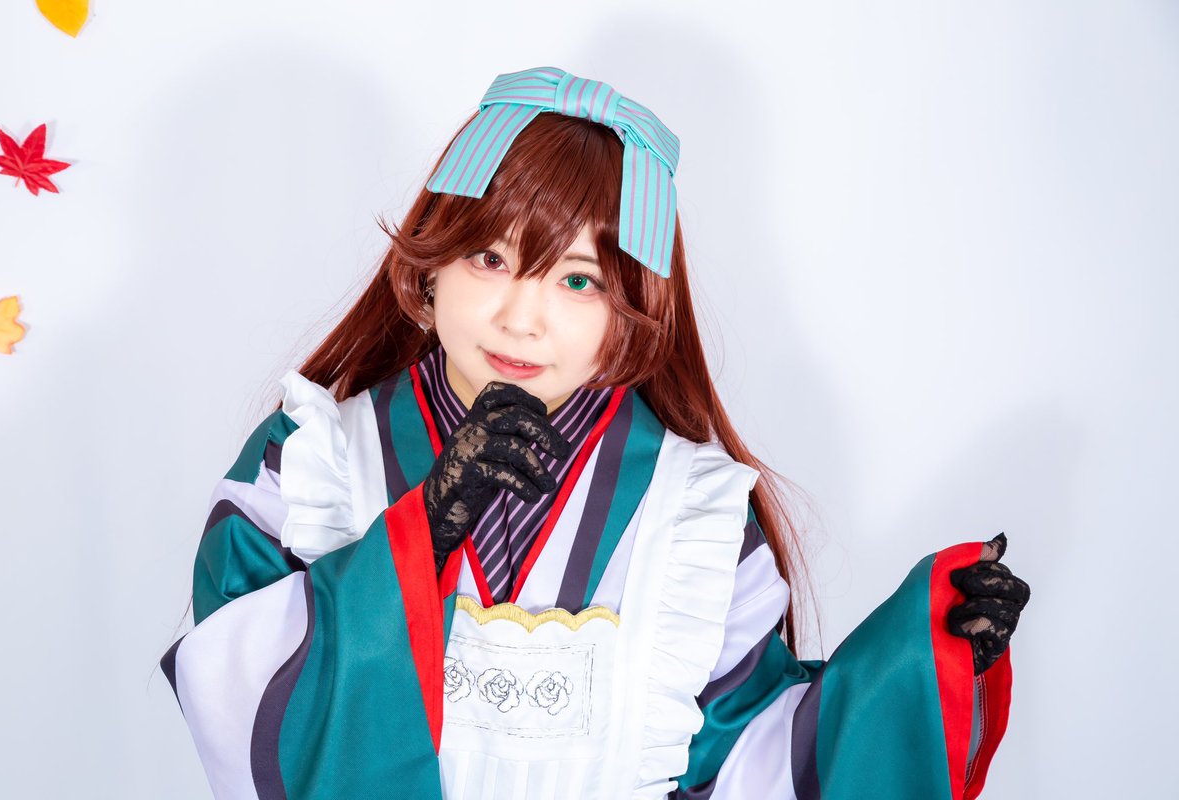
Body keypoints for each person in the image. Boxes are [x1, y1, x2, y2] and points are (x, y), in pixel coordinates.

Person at [161, 66, 1030, 799]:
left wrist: (924, 662)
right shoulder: (310, 459)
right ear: (427, 269)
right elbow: (232, 700)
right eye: (490, 258)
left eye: (578, 281)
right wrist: (421, 533)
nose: (521, 317)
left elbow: (752, 763)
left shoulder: (695, 511)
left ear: (632, 316)